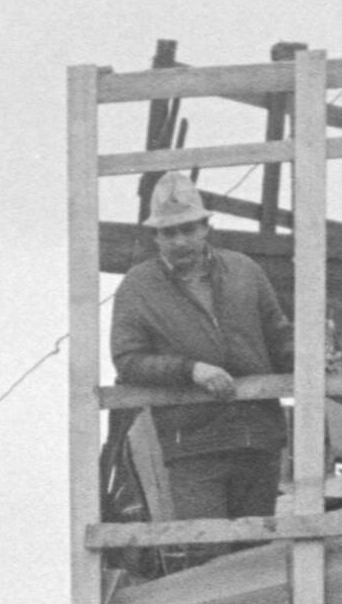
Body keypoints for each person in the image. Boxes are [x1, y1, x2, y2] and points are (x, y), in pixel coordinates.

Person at [107, 164, 287, 525]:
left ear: (206, 227)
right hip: (192, 443)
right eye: (169, 232)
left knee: (258, 552)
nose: (180, 241)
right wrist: (191, 370)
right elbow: (128, 360)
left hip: (256, 437)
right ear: (155, 237)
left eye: (188, 229)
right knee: (206, 551)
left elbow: (278, 338)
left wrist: (314, 356)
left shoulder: (245, 271)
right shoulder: (138, 287)